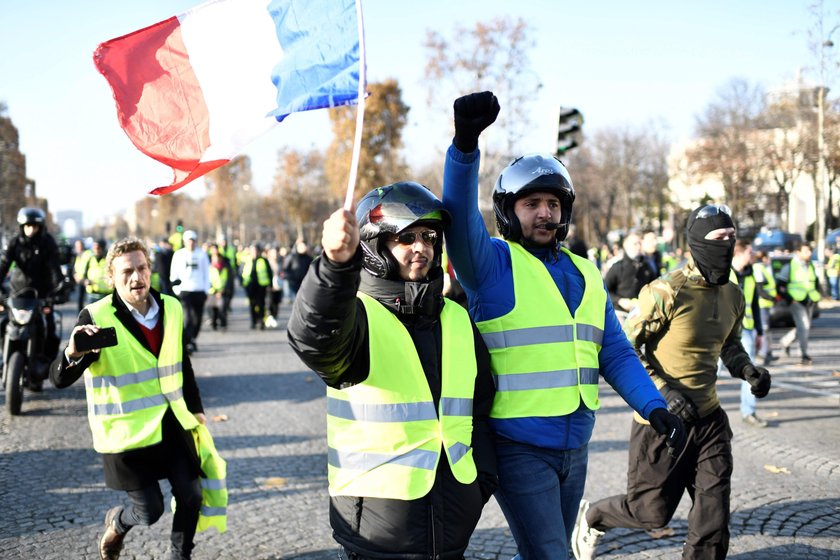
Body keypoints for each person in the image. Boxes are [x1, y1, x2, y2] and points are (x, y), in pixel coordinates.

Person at [442, 91, 685, 559]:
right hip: (518, 445)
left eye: (552, 203)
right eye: (531, 203)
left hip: (576, 445)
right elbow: (458, 220)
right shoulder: (492, 265)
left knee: (540, 553)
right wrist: (464, 146)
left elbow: (613, 353)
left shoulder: (586, 272)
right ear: (509, 211)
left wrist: (654, 407)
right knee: (553, 554)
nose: (544, 213)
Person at [287, 182, 498, 559]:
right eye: (406, 237)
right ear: (376, 247)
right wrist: (335, 266)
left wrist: (479, 483)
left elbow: (480, 408)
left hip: (453, 527)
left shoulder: (457, 319)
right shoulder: (358, 316)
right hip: (375, 534)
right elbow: (312, 337)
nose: (421, 247)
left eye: (428, 237)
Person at [574, 204, 772, 560]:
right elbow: (621, 348)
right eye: (719, 238)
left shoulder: (733, 294)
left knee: (712, 516)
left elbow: (729, 344)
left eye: (732, 237)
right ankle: (593, 517)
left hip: (709, 420)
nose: (728, 245)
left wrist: (747, 371)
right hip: (661, 423)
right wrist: (662, 391)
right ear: (697, 242)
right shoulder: (665, 291)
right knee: (651, 513)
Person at [49, 237, 214, 560]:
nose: (136, 278)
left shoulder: (172, 307)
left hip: (171, 424)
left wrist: (196, 409)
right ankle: (118, 522)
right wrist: (73, 352)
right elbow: (59, 378)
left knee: (192, 495)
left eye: (142, 268)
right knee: (150, 511)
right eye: (126, 272)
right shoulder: (95, 316)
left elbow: (182, 363)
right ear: (111, 278)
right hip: (124, 435)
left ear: (150, 269)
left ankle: (180, 556)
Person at [0, 207, 66, 390]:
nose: (30, 229)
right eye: (27, 226)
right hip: (17, 293)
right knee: (3, 322)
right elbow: (3, 264)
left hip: (42, 295)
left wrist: (59, 290)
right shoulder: (14, 243)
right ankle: (3, 356)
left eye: (34, 226)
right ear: (22, 227)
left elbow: (55, 270)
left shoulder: (48, 243)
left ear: (40, 226)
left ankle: (45, 364)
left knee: (50, 329)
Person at [731, 239, 766, 427]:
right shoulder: (725, 274)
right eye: (749, 253)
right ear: (738, 253)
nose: (752, 256)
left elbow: (755, 305)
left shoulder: (751, 274)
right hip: (724, 331)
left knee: (749, 370)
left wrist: (759, 332)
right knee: (710, 370)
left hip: (746, 330)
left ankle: (749, 411)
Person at [776, 241, 821, 365]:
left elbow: (814, 281)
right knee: (804, 327)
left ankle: (785, 341)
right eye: (806, 251)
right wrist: (790, 299)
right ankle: (804, 355)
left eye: (810, 251)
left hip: (810, 300)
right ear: (798, 252)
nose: (809, 253)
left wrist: (817, 295)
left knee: (803, 328)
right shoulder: (789, 267)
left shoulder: (810, 265)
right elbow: (779, 286)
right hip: (796, 302)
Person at [169, 230, 210, 354]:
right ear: (184, 242)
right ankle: (187, 342)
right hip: (185, 290)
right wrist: (176, 289)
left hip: (199, 290)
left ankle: (192, 339)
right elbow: (173, 273)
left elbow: (207, 273)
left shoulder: (202, 254)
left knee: (198, 319)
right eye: (188, 241)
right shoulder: (178, 255)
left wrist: (206, 289)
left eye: (193, 240)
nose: (191, 243)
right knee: (188, 318)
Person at [604, 231, 658, 323]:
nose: (638, 247)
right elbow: (603, 290)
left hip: (642, 314)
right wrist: (619, 301)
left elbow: (654, 288)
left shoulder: (647, 267)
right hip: (619, 314)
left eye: (639, 243)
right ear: (626, 245)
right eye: (634, 244)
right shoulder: (617, 267)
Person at [752, 250, 778, 365]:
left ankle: (767, 353)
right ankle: (762, 354)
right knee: (763, 329)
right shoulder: (758, 268)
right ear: (763, 258)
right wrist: (771, 298)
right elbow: (760, 289)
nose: (769, 260)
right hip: (762, 303)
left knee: (767, 330)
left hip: (766, 304)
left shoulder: (763, 268)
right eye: (768, 258)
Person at [241, 243, 271, 329]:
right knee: (252, 304)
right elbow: (241, 272)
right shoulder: (246, 260)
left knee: (261, 304)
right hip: (250, 286)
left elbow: (269, 273)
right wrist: (243, 284)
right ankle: (253, 321)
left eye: (256, 251)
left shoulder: (264, 260)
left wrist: (270, 285)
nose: (254, 252)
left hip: (261, 286)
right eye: (253, 251)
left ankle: (261, 321)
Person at [83, 240, 112, 305]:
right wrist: (86, 281)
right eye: (94, 248)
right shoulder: (90, 259)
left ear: (102, 248)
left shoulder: (109, 260)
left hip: (106, 295)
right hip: (92, 294)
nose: (95, 250)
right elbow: (85, 275)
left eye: (97, 248)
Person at [207, 245, 228, 330]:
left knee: (221, 309)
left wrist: (222, 290)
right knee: (211, 309)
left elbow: (226, 280)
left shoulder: (224, 268)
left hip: (221, 291)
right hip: (212, 291)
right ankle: (214, 323)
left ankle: (223, 324)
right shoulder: (209, 268)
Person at [73, 239, 92, 313]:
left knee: (88, 300)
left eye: (79, 246)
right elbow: (75, 267)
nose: (78, 247)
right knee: (79, 300)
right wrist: (75, 275)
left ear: (83, 246)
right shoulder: (78, 255)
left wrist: (86, 278)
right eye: (77, 246)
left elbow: (89, 266)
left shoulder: (88, 253)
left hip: (87, 280)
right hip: (80, 280)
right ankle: (80, 316)